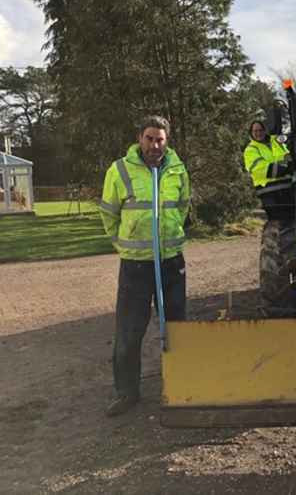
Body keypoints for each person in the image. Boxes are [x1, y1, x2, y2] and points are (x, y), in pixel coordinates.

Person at [99, 115, 190, 417]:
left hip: (170, 261)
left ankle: (180, 384)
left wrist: (173, 236)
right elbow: (109, 214)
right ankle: (127, 392)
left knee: (177, 326)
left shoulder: (177, 169)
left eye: (160, 139)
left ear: (167, 141)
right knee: (129, 329)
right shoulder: (120, 170)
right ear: (140, 138)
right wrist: (122, 244)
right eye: (150, 138)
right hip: (136, 266)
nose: (155, 145)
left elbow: (183, 206)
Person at [243, 118, 294, 218]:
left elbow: (288, 157)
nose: (258, 133)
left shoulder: (275, 142)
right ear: (251, 133)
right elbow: (260, 169)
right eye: (255, 131)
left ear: (265, 130)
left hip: (287, 189)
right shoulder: (251, 150)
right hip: (269, 191)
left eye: (261, 130)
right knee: (277, 220)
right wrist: (285, 168)